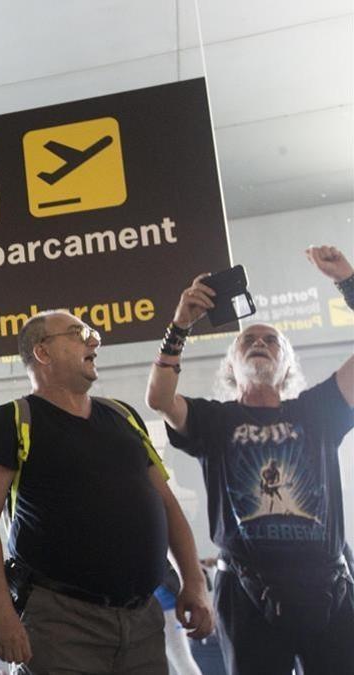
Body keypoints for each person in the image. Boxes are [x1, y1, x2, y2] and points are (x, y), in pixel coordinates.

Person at [145, 245, 354, 673]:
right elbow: (159, 398)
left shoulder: (318, 411)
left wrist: (348, 282)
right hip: (246, 587)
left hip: (327, 584)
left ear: (287, 364)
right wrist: (180, 324)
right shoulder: (213, 420)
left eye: (271, 341)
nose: (259, 343)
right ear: (232, 366)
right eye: (248, 340)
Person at [0, 310, 213, 673]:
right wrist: (0, 611)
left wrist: (193, 579)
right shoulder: (12, 420)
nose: (93, 340)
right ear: (43, 353)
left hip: (143, 619)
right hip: (60, 625)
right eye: (78, 333)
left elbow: (166, 501)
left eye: (91, 332)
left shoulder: (123, 415)